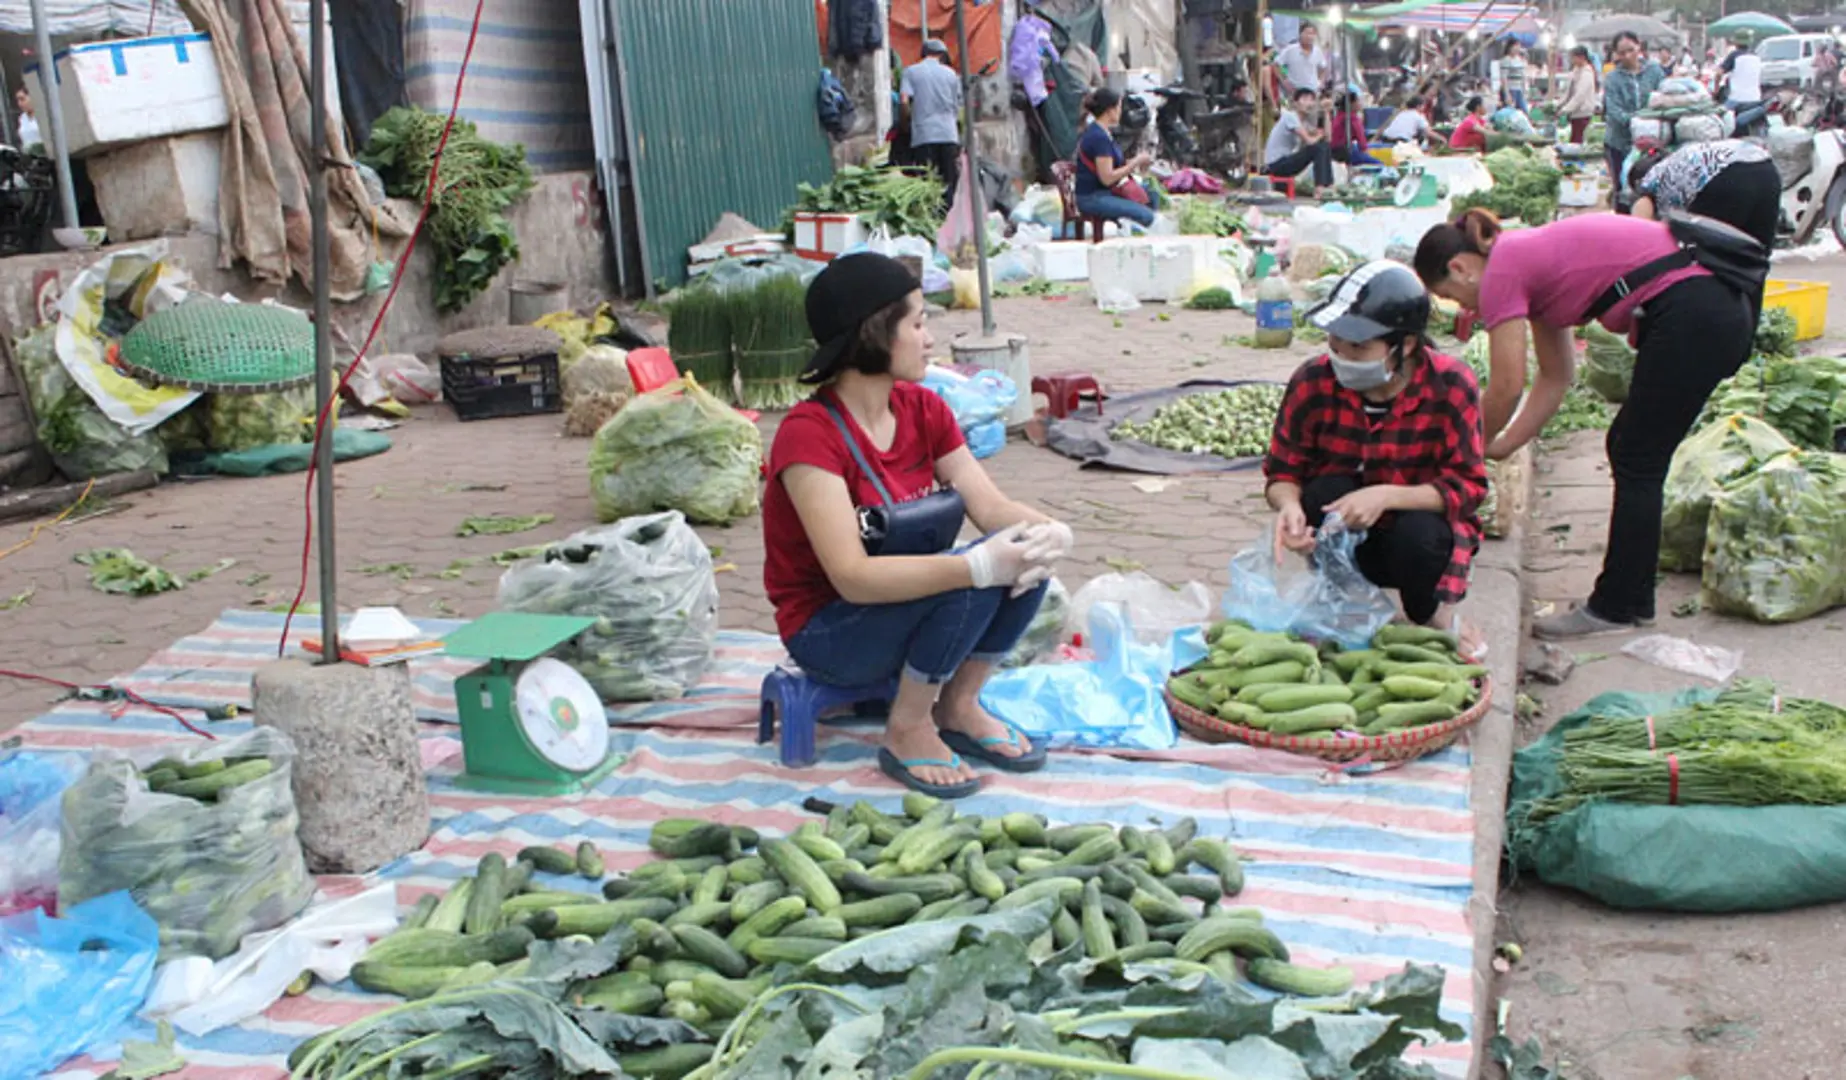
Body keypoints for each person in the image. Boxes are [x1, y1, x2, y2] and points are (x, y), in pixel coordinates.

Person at [763, 252, 1075, 797]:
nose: (930, 339)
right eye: (917, 323)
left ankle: (958, 705)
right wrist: (973, 567)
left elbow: (992, 508)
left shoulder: (923, 409)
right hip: (830, 629)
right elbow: (851, 576)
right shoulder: (809, 436)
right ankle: (906, 728)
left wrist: (1049, 530)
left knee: (1021, 559)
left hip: (898, 608)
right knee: (968, 583)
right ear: (873, 334)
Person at [1414, 210, 1757, 639]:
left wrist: (1458, 455)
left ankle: (1617, 607)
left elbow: (1505, 386)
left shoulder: (1503, 267)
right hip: (1712, 308)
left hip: (1694, 308)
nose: (1466, 309)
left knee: (1636, 455)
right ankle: (1630, 600)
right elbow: (1556, 376)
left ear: (1459, 268)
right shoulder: (1527, 263)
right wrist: (1502, 444)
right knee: (1635, 452)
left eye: (1455, 297)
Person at [1265, 260, 1488, 656]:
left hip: (1416, 542)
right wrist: (1289, 508)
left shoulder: (1451, 384)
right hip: (1341, 539)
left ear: (1405, 345)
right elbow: (1283, 470)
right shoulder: (1312, 381)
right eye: (1335, 343)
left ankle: (1433, 614)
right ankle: (1345, 599)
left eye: (1357, 347)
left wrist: (1386, 496)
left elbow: (1468, 488)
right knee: (1321, 492)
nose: (1342, 356)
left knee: (1421, 535)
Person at [1628, 139, 1780, 250]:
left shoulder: (1648, 181)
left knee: (1710, 256)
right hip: (1764, 166)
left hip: (1723, 176)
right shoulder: (1680, 162)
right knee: (1757, 253)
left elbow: (1640, 234)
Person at [1073, 88, 1156, 229]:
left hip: (1105, 192)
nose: (1120, 111)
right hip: (1093, 197)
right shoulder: (1098, 137)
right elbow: (1107, 178)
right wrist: (1135, 162)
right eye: (1118, 107)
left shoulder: (1104, 133)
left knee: (1152, 195)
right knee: (1146, 216)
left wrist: (1139, 161)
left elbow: (1114, 165)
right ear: (1109, 110)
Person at [1602, 32, 1666, 206]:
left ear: (1639, 46)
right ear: (1616, 54)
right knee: (1623, 189)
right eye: (1622, 53)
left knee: (1649, 189)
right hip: (1619, 142)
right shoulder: (1612, 78)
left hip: (1650, 143)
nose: (1628, 56)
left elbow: (1663, 98)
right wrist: (1637, 123)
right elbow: (1614, 111)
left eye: (1631, 50)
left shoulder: (1654, 71)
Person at [900, 40, 964, 210]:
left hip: (923, 135)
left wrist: (905, 122)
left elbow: (904, 101)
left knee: (927, 182)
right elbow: (958, 106)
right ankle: (949, 219)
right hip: (948, 134)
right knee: (949, 181)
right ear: (942, 55)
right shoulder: (951, 75)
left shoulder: (910, 72)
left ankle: (931, 217)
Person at [1264, 86, 1336, 188]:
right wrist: (1320, 135)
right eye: (1305, 99)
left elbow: (1328, 138)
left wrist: (1326, 112)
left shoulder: (1304, 123)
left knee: (1324, 146)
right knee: (1318, 148)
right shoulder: (1290, 116)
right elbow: (1310, 141)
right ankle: (1320, 188)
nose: (1309, 103)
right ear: (1295, 103)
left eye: (1311, 100)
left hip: (1286, 161)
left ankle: (1329, 185)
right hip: (1276, 165)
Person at [1556, 45, 1600, 144]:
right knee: (1574, 138)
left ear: (1582, 57)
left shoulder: (1587, 73)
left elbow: (1580, 95)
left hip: (1583, 112)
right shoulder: (1576, 70)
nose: (1571, 60)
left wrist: (1565, 109)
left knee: (1577, 140)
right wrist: (1559, 105)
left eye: (1573, 57)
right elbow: (1568, 91)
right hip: (1574, 112)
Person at [1330, 90, 1385, 167]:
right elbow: (1362, 143)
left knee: (1374, 147)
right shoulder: (1352, 118)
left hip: (1334, 150)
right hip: (1344, 152)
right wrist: (1367, 156)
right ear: (1352, 104)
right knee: (1379, 164)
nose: (1360, 103)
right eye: (1358, 101)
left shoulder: (1340, 115)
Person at [1276, 24, 1331, 97]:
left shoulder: (1317, 51)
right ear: (1300, 34)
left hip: (1312, 91)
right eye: (1306, 33)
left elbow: (1324, 68)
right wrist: (1284, 81)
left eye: (1312, 34)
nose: (1309, 36)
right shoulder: (1290, 49)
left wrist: (1320, 82)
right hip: (1295, 92)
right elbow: (1276, 65)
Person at [1499, 41, 1529, 112]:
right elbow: (1504, 78)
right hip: (1511, 88)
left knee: (1523, 111)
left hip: (1519, 89)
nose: (1517, 49)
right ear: (1509, 48)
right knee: (1511, 112)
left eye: (1518, 46)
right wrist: (1507, 94)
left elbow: (1523, 76)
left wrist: (1524, 90)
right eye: (1515, 46)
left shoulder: (1519, 60)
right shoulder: (1506, 60)